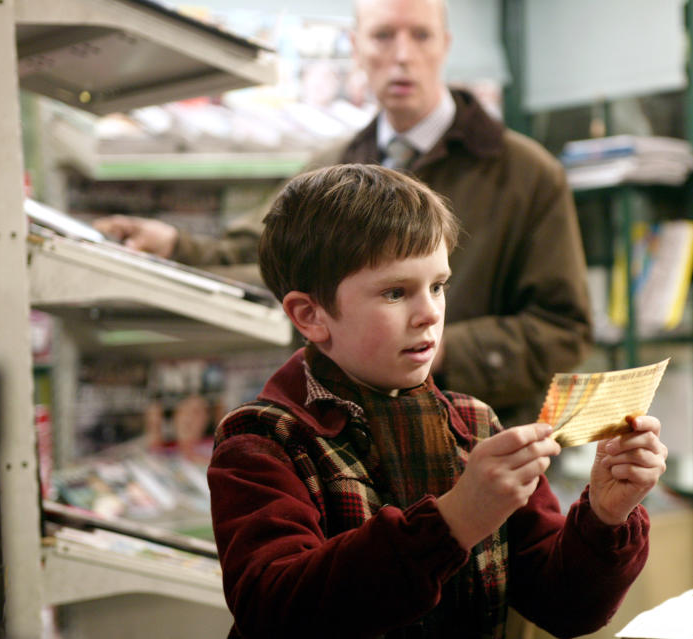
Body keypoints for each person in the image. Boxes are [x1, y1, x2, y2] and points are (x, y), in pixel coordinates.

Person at [207, 164, 668, 638]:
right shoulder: (263, 440)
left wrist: (605, 515)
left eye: (438, 285)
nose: (429, 313)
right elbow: (274, 610)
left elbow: (566, 607)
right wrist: (454, 521)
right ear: (310, 315)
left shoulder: (475, 423)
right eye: (394, 292)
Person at [94, 0, 592, 426]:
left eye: (420, 35)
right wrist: (174, 245)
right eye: (382, 36)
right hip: (349, 444)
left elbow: (561, 329)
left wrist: (440, 350)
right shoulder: (332, 165)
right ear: (356, 49)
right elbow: (262, 250)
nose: (402, 55)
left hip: (479, 444)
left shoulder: (526, 174)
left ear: (445, 44)